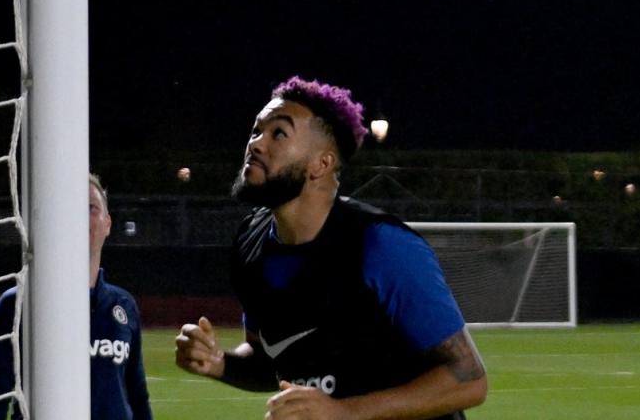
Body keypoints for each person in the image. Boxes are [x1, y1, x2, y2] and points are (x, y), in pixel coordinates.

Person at [175, 76, 487, 419]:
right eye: (256, 131)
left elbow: (469, 380)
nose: (257, 144)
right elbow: (272, 361)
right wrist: (219, 363)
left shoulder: (382, 246)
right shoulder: (251, 246)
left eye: (278, 133)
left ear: (321, 165)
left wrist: (344, 412)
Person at [0, 174, 153, 420]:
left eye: (91, 208)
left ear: (108, 224)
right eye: (70, 206)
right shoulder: (17, 305)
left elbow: (138, 397)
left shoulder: (123, 305)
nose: (81, 215)